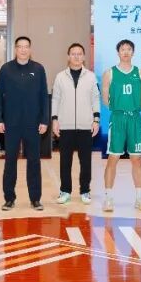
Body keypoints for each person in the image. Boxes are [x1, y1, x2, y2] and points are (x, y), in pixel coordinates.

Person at [0, 36, 49, 211]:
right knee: (10, 161)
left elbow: (44, 97)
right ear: (15, 49)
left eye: (26, 46)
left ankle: (35, 199)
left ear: (30, 49)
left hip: (33, 124)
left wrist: (45, 120)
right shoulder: (6, 69)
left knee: (34, 162)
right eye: (20, 46)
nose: (23, 50)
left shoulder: (38, 69)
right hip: (11, 124)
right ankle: (9, 198)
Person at [101, 39, 141, 212]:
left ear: (133, 52)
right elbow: (105, 98)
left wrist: (132, 107)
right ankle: (108, 198)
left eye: (129, 49)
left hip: (135, 119)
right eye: (123, 49)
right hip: (118, 119)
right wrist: (119, 108)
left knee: (136, 159)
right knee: (113, 158)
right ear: (118, 52)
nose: (126, 52)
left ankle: (139, 198)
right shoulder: (110, 73)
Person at [51, 43, 99, 205]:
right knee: (65, 161)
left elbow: (95, 99)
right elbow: (55, 99)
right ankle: (65, 191)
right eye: (73, 54)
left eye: (79, 54)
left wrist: (96, 120)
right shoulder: (60, 76)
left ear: (84, 57)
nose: (76, 56)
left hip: (86, 125)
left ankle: (85, 191)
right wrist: (55, 119)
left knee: (86, 162)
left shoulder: (91, 76)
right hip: (65, 126)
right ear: (68, 56)